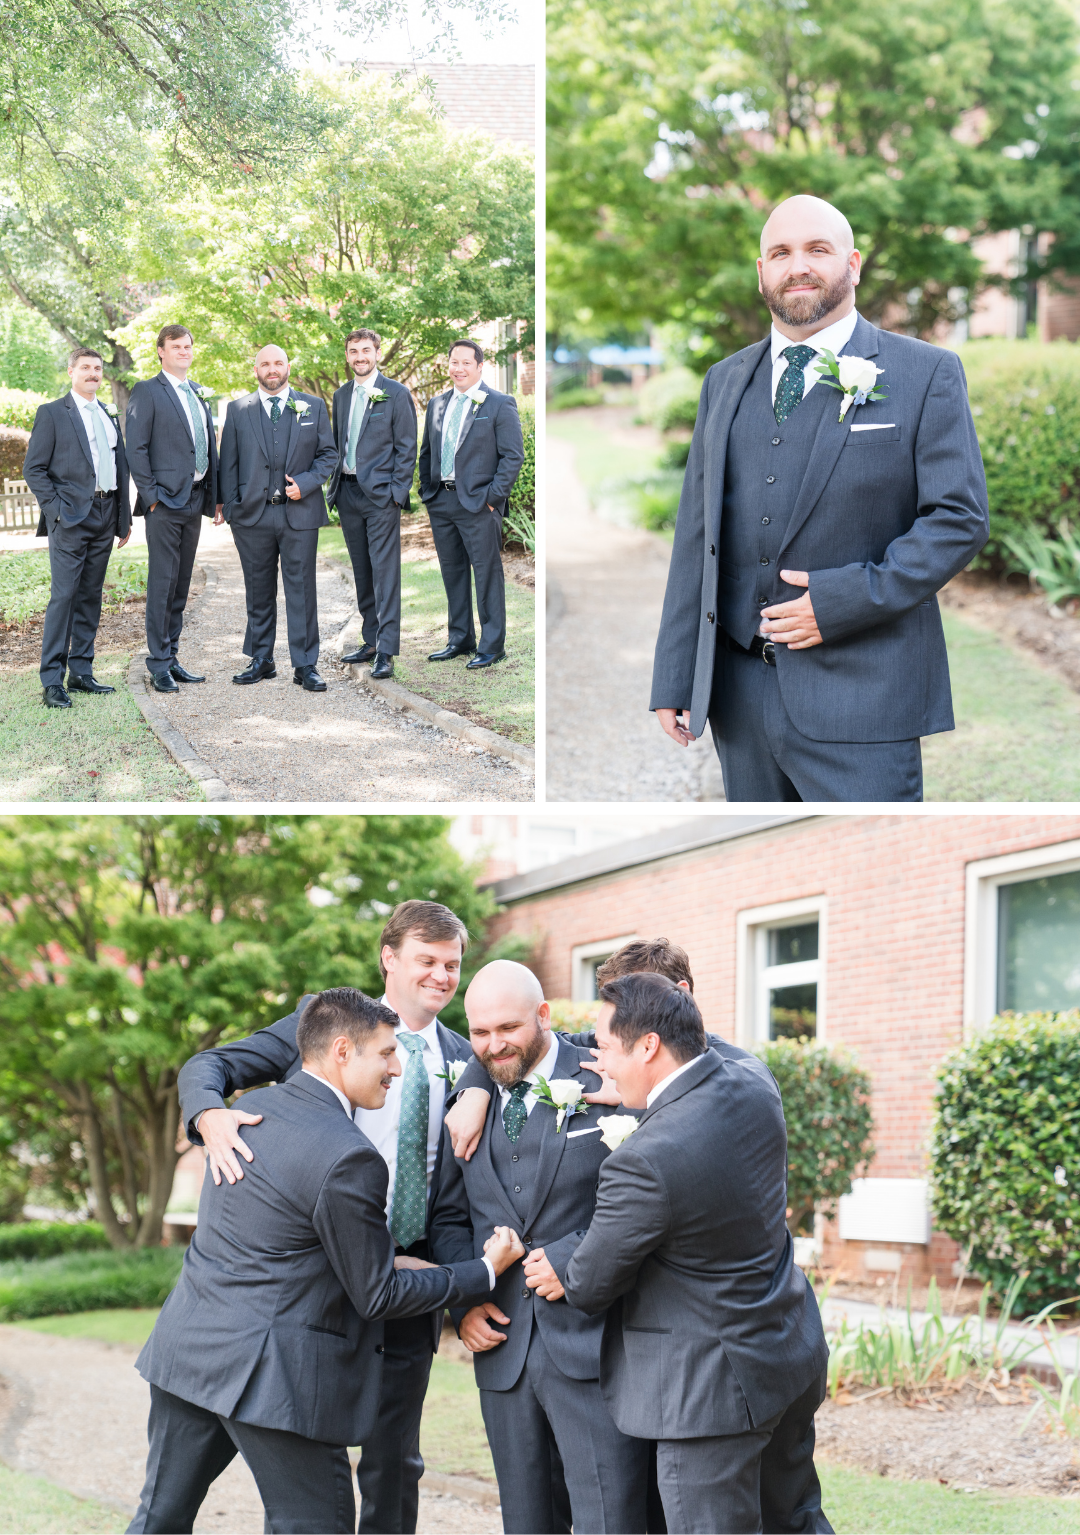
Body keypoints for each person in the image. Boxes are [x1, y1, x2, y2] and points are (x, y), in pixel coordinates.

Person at [128, 987, 523, 1535]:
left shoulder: (243, 1113)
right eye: (386, 1054)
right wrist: (483, 1272)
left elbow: (302, 1252)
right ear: (342, 1051)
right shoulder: (349, 1156)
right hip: (276, 1377)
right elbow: (379, 1294)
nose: (397, 1067)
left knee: (158, 1519)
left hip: (190, 1348)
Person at [650, 194, 989, 803]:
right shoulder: (724, 381)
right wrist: (676, 672)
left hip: (865, 698)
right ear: (762, 272)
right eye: (780, 252)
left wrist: (840, 601)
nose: (797, 265)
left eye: (817, 250)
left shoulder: (925, 374)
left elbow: (958, 519)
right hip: (740, 698)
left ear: (852, 265)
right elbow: (697, 536)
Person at [176, 901, 475, 1535]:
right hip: (311, 1286)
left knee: (396, 1462)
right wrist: (208, 1115)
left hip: (405, 1280)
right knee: (307, 1464)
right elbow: (212, 1066)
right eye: (427, 960)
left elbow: (450, 1196)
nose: (442, 977)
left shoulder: (467, 1059)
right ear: (388, 959)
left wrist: (459, 1288)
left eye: (452, 964)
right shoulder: (328, 1022)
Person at [560, 972, 832, 1535]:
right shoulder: (755, 1083)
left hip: (710, 1399)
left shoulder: (645, 1161)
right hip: (786, 1353)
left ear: (649, 1047)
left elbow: (588, 1284)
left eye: (606, 1049)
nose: (600, 1065)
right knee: (798, 1521)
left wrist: (561, 1256)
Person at [429, 961, 648, 1535]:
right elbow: (451, 1215)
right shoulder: (466, 1093)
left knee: (610, 1518)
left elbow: (646, 1192)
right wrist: (466, 1300)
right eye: (480, 1032)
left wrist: (576, 1255)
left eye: (509, 1028)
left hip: (593, 1342)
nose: (494, 1045)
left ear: (544, 1016)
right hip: (502, 1348)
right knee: (525, 1522)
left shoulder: (606, 1074)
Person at [217, 344, 338, 692]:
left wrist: (307, 483)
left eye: (278, 363)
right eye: (265, 364)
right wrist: (230, 506)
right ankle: (261, 659)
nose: (272, 369)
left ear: (288, 366)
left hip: (299, 514)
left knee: (301, 590)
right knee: (258, 590)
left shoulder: (312, 406)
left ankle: (305, 665)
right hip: (252, 517)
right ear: (255, 369)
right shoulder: (238, 409)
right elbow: (230, 462)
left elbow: (328, 455)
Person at [23, 346, 132, 708]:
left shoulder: (108, 413)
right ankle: (52, 680)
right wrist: (55, 511)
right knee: (64, 597)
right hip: (69, 518)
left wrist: (123, 517)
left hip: (105, 515)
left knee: (90, 596)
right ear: (71, 372)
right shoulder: (53, 413)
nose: (93, 373)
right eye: (85, 367)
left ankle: (81, 672)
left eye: (97, 368)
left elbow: (119, 467)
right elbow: (34, 469)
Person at [418, 339, 524, 670]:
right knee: (453, 573)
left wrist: (493, 499)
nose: (459, 368)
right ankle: (460, 639)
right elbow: (426, 453)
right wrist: (427, 492)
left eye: (466, 362)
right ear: (447, 365)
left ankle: (492, 646)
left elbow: (512, 456)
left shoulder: (498, 403)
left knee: (487, 574)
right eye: (454, 362)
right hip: (442, 501)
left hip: (479, 504)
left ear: (480, 366)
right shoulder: (436, 404)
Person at [125, 324, 218, 692]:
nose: (184, 351)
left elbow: (209, 445)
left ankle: (173, 656)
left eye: (188, 346)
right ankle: (157, 664)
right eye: (175, 346)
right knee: (163, 583)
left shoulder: (198, 393)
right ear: (161, 351)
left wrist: (215, 496)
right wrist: (151, 497)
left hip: (195, 499)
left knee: (181, 584)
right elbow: (137, 449)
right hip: (163, 502)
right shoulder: (147, 391)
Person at [327, 328, 418, 680]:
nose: (359, 356)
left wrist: (396, 493)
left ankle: (387, 649)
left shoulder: (395, 394)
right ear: (347, 355)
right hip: (347, 494)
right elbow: (339, 443)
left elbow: (406, 447)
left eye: (366, 350)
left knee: (384, 573)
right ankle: (369, 640)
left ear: (377, 353)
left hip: (381, 497)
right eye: (353, 351)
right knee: (362, 570)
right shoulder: (340, 395)